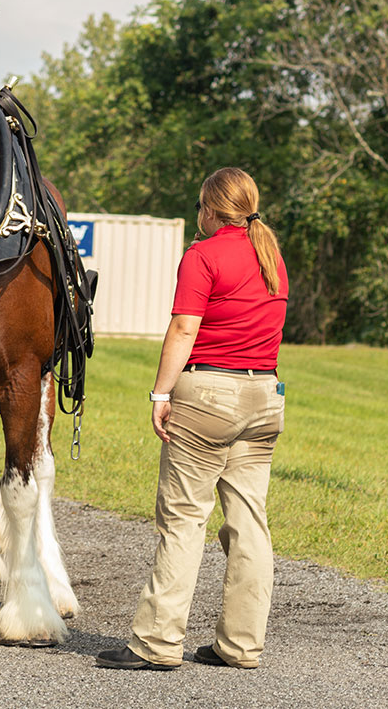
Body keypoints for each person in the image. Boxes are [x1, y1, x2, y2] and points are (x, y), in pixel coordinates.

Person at [98, 167, 289, 672]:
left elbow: (185, 327)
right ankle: (241, 645)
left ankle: (157, 643)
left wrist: (161, 393)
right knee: (250, 524)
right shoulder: (272, 257)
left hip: (208, 396)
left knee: (183, 521)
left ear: (210, 208)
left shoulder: (202, 255)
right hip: (266, 395)